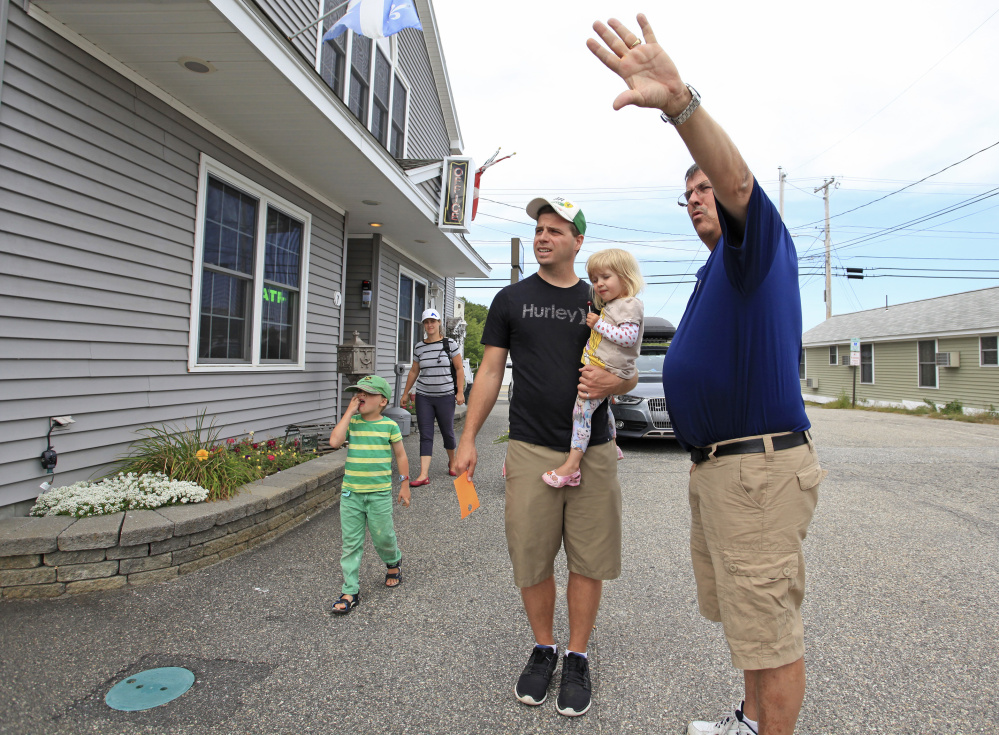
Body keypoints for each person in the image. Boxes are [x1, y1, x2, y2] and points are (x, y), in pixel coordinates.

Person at [588, 15, 827, 735]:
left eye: (703, 188)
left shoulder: (755, 250)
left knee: (769, 631)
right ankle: (746, 721)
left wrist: (678, 106)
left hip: (756, 473)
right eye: (684, 193)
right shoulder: (714, 272)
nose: (696, 196)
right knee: (747, 625)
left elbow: (737, 180)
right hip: (723, 472)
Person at [454, 195, 639, 718]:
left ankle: (577, 655)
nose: (543, 237)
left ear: (578, 242)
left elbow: (628, 365)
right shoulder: (510, 300)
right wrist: (467, 438)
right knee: (531, 557)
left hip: (594, 449)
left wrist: (619, 381)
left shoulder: (601, 298)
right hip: (531, 446)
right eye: (539, 228)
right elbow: (489, 372)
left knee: (588, 559)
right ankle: (543, 647)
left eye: (556, 230)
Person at [542, 248, 645, 487]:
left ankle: (572, 465)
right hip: (604, 366)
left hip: (608, 369)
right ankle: (614, 445)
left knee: (581, 413)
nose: (598, 284)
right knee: (603, 409)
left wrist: (598, 324)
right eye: (594, 279)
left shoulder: (629, 305)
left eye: (605, 277)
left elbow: (628, 338)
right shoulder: (615, 304)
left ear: (625, 276)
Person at [328, 375, 411, 615]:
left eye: (367, 393)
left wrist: (404, 485)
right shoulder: (353, 423)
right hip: (351, 494)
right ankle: (350, 590)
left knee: (383, 536)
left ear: (383, 401)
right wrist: (349, 411)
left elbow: (401, 456)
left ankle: (393, 560)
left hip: (379, 494)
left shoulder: (389, 426)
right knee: (351, 544)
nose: (360, 396)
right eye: (358, 392)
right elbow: (335, 441)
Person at [401, 308, 465, 486]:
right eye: (426, 322)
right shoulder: (419, 347)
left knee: (447, 431)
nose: (430, 325)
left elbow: (459, 369)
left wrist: (459, 392)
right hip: (424, 397)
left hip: (445, 396)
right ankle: (423, 474)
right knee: (426, 434)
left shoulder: (449, 344)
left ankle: (452, 462)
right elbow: (414, 371)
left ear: (438, 324)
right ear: (424, 325)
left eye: (433, 321)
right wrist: (405, 393)